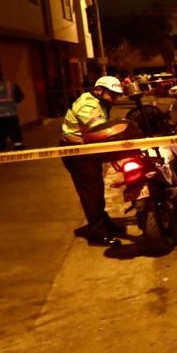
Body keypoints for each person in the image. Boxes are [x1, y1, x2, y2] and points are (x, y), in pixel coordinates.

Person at [59, 76, 125, 246]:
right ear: (99, 90)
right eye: (112, 94)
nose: (115, 97)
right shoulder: (88, 104)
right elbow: (99, 129)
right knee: (91, 193)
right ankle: (98, 234)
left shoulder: (101, 102)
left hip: (88, 150)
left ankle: (103, 222)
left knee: (97, 188)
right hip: (77, 154)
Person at [0, 70, 25, 151]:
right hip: (10, 114)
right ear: (1, 77)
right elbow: (20, 97)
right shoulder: (11, 85)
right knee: (14, 131)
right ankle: (18, 145)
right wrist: (11, 104)